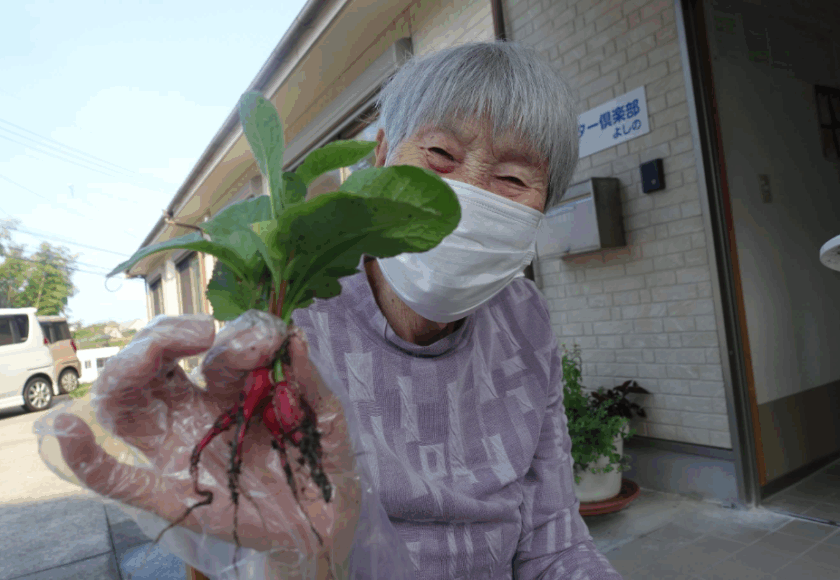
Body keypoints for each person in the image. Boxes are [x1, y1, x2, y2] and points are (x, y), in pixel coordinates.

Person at [52, 41, 624, 579]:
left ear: (544, 206)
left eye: (513, 178)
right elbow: (269, 532)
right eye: (440, 154)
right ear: (380, 157)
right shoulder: (298, 321)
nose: (469, 194)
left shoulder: (525, 317)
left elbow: (558, 543)